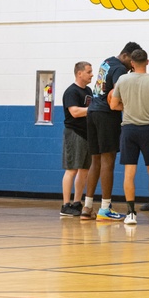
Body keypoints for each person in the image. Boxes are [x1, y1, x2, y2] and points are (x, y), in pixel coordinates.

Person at [81, 42, 141, 221]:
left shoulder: (106, 61)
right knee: (108, 160)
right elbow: (116, 93)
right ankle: (105, 208)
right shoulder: (120, 70)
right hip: (106, 114)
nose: (132, 66)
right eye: (132, 62)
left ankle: (87, 207)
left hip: (92, 112)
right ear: (127, 56)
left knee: (95, 161)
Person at [111, 48, 149, 225]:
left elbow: (114, 105)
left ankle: (130, 213)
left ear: (131, 63)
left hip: (128, 130)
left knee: (129, 173)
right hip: (148, 130)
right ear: (148, 62)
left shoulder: (122, 79)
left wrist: (128, 107)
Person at [60, 61, 92, 217]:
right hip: (74, 133)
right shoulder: (71, 92)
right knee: (71, 169)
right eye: (89, 72)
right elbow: (75, 112)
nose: (91, 74)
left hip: (87, 135)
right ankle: (65, 205)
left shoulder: (89, 91)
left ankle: (77, 202)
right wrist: (93, 109)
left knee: (84, 170)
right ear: (80, 73)